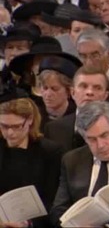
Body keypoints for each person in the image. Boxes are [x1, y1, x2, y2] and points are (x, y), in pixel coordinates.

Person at [0, 89, 62, 228]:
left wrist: (28, 224)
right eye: (4, 126)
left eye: (16, 126)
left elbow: (53, 201)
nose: (10, 133)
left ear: (30, 120)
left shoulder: (50, 152)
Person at [38, 55, 79, 129]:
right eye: (45, 88)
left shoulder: (77, 116)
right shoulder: (35, 115)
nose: (48, 94)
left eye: (54, 89)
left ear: (69, 91)